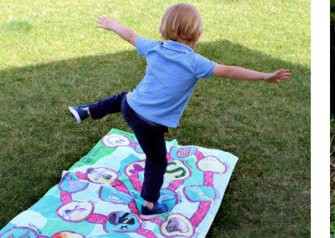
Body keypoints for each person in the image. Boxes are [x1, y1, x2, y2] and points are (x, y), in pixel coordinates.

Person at [67, 3, 291, 216]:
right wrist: (264, 76)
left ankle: (86, 111)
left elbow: (131, 35)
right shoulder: (195, 62)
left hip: (131, 107)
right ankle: (149, 205)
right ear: (198, 35)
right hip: (150, 125)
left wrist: (112, 25)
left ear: (163, 30)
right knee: (157, 162)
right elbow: (230, 71)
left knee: (121, 99)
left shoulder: (156, 47)